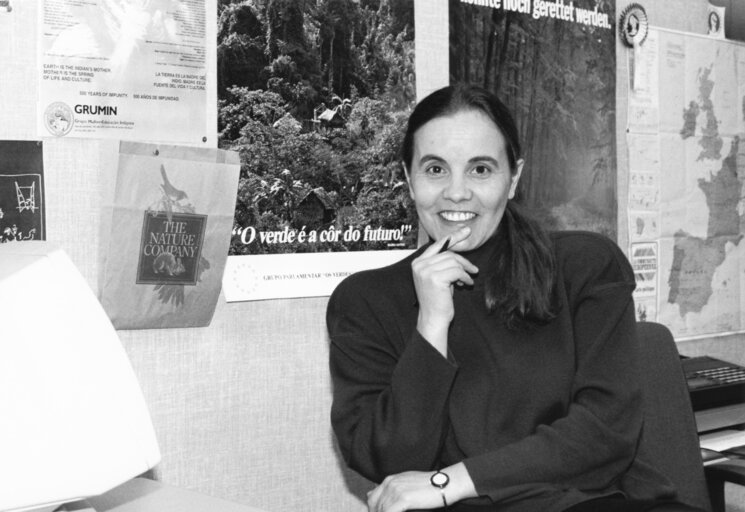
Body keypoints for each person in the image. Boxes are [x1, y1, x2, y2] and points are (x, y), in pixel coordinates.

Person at [326, 84, 705, 512]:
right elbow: (388, 461)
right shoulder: (364, 301)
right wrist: (430, 326)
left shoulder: (585, 267)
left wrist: (452, 480)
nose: (456, 192)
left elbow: (605, 434)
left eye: (480, 170)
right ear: (408, 179)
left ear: (514, 178)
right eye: (435, 169)